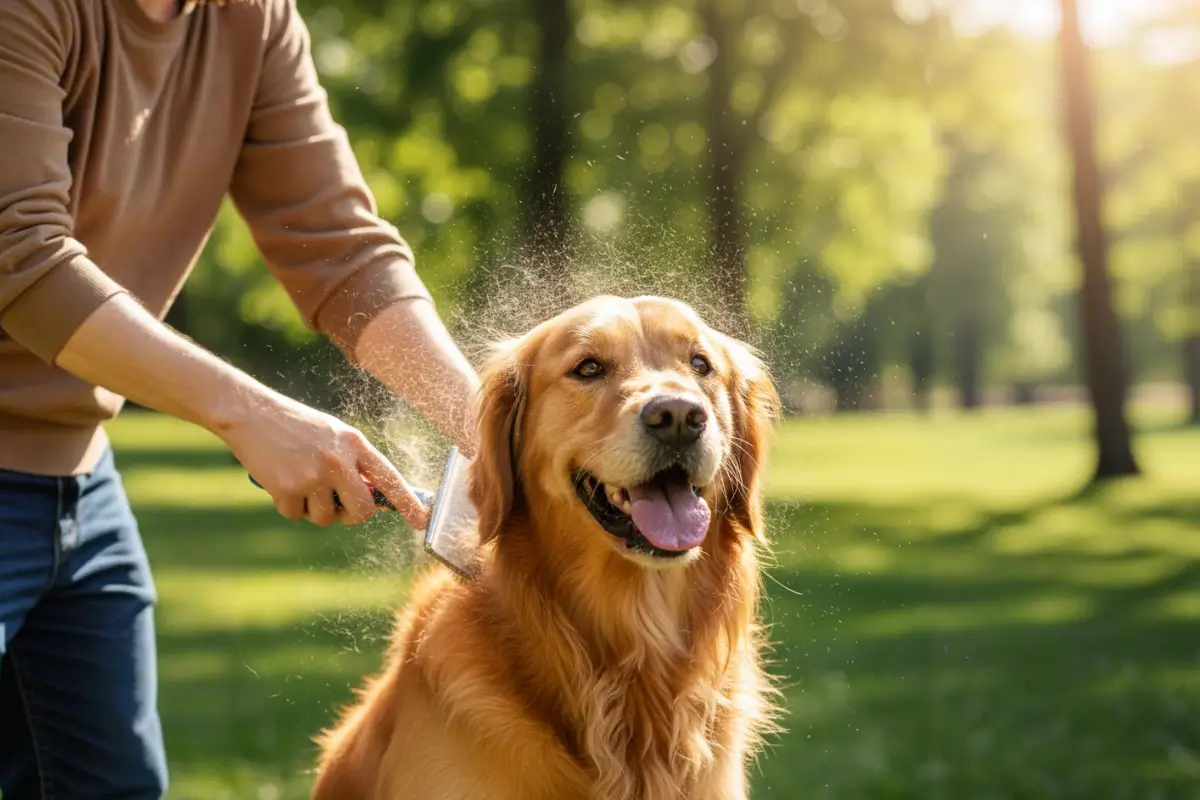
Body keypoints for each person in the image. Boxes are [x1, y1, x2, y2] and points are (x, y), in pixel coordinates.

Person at [0, 0, 481, 795]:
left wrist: (486, 425)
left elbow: (342, 251)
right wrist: (252, 415)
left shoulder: (249, 19)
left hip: (79, 484)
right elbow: (22, 259)